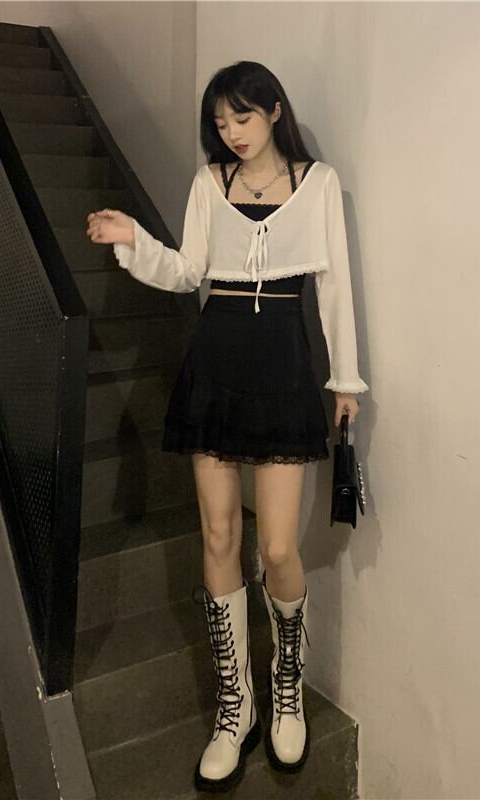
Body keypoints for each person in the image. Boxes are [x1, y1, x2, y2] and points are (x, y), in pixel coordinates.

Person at [85, 60, 368, 793]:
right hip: (215, 362)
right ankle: (235, 705)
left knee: (276, 546)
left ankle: (286, 687)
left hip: (284, 366)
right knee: (217, 536)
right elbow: (188, 272)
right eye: (220, 123)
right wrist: (133, 237)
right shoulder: (209, 183)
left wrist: (345, 380)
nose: (232, 133)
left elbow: (334, 284)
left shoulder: (319, 183)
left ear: (273, 110)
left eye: (242, 117)